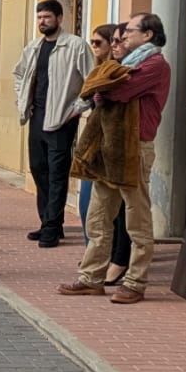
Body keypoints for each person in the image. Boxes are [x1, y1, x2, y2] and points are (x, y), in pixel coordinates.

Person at [61, 13, 172, 304]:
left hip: (135, 146)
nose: (120, 39)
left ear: (147, 35)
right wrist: (104, 79)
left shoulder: (155, 65)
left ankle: (135, 281)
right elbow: (94, 86)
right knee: (98, 216)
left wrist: (103, 82)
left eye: (128, 32)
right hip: (110, 146)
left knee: (137, 218)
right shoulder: (123, 64)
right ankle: (91, 278)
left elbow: (119, 90)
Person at [11, 0, 86, 247]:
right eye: (40, 17)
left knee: (57, 174)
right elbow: (19, 73)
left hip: (62, 120)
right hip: (37, 117)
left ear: (59, 18)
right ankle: (48, 222)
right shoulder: (34, 47)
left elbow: (92, 82)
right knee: (38, 169)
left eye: (47, 17)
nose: (42, 21)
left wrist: (76, 109)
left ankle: (52, 228)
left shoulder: (75, 46)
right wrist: (23, 100)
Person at [75, 24, 132, 284]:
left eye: (99, 43)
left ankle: (118, 261)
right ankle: (95, 260)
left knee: (121, 212)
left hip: (119, 147)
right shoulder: (100, 69)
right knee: (91, 209)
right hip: (97, 146)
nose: (94, 47)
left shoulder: (121, 71)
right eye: (93, 43)